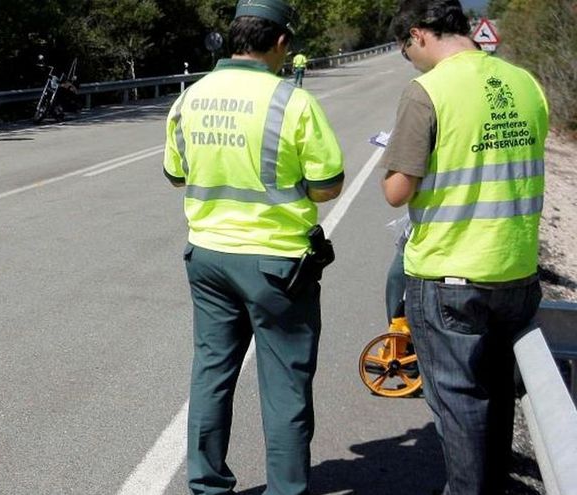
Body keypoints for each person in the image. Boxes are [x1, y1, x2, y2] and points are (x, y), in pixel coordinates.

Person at [164, 1, 345, 493]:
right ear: (281, 42)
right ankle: (285, 489)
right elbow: (328, 183)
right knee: (285, 385)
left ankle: (206, 485)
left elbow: (176, 175)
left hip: (207, 256)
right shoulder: (293, 102)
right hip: (276, 264)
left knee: (211, 373)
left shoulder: (191, 97)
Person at [380, 1, 548, 494]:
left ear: (418, 35)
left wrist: (392, 159)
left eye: (405, 48)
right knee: (498, 395)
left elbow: (397, 189)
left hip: (450, 274)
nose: (408, 59)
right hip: (516, 269)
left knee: (460, 404)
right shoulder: (525, 83)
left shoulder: (427, 91)